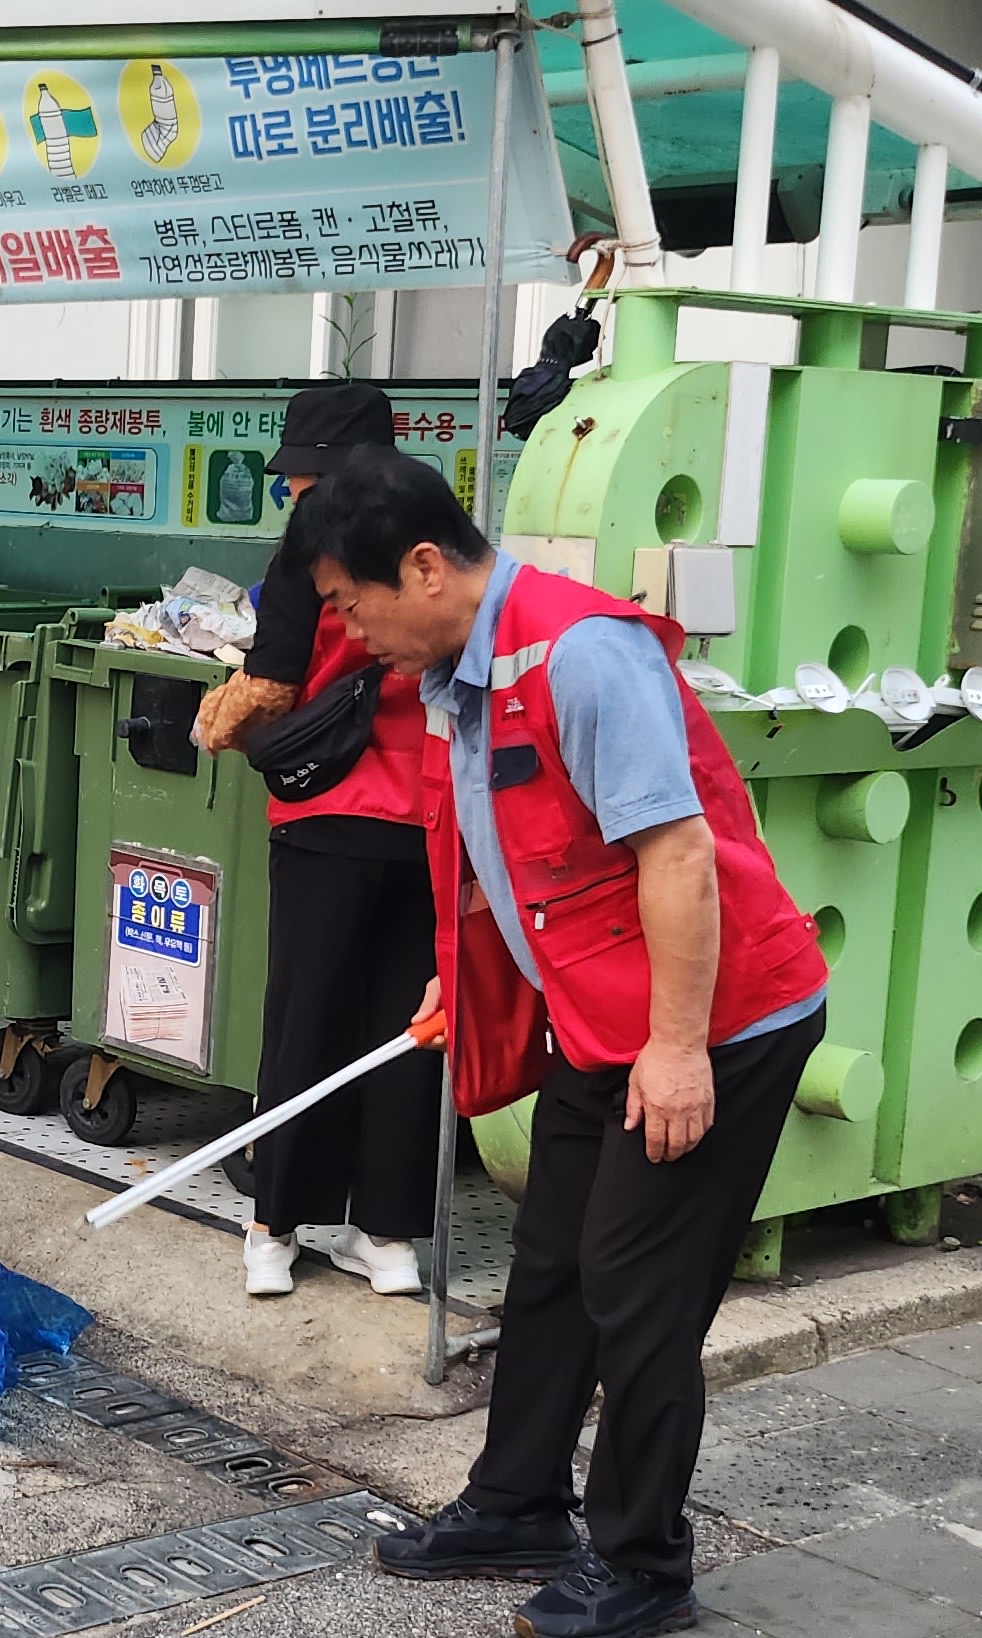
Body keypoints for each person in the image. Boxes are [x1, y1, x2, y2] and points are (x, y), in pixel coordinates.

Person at [300, 456, 829, 1638]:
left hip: (715, 1025)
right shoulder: (460, 671)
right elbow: (516, 847)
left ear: (424, 567)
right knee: (552, 1273)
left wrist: (680, 1050)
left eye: (349, 602)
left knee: (639, 1295)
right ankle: (517, 1504)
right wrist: (465, 974)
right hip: (597, 1023)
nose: (346, 630)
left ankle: (644, 1569)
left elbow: (677, 856)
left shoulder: (580, 653)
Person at [190, 384, 441, 1299]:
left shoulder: (311, 543)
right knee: (406, 1026)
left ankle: (274, 1228)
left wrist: (217, 717)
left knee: (308, 1016)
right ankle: (389, 1241)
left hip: (327, 813)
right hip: (423, 816)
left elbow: (275, 682)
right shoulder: (431, 543)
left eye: (296, 474)